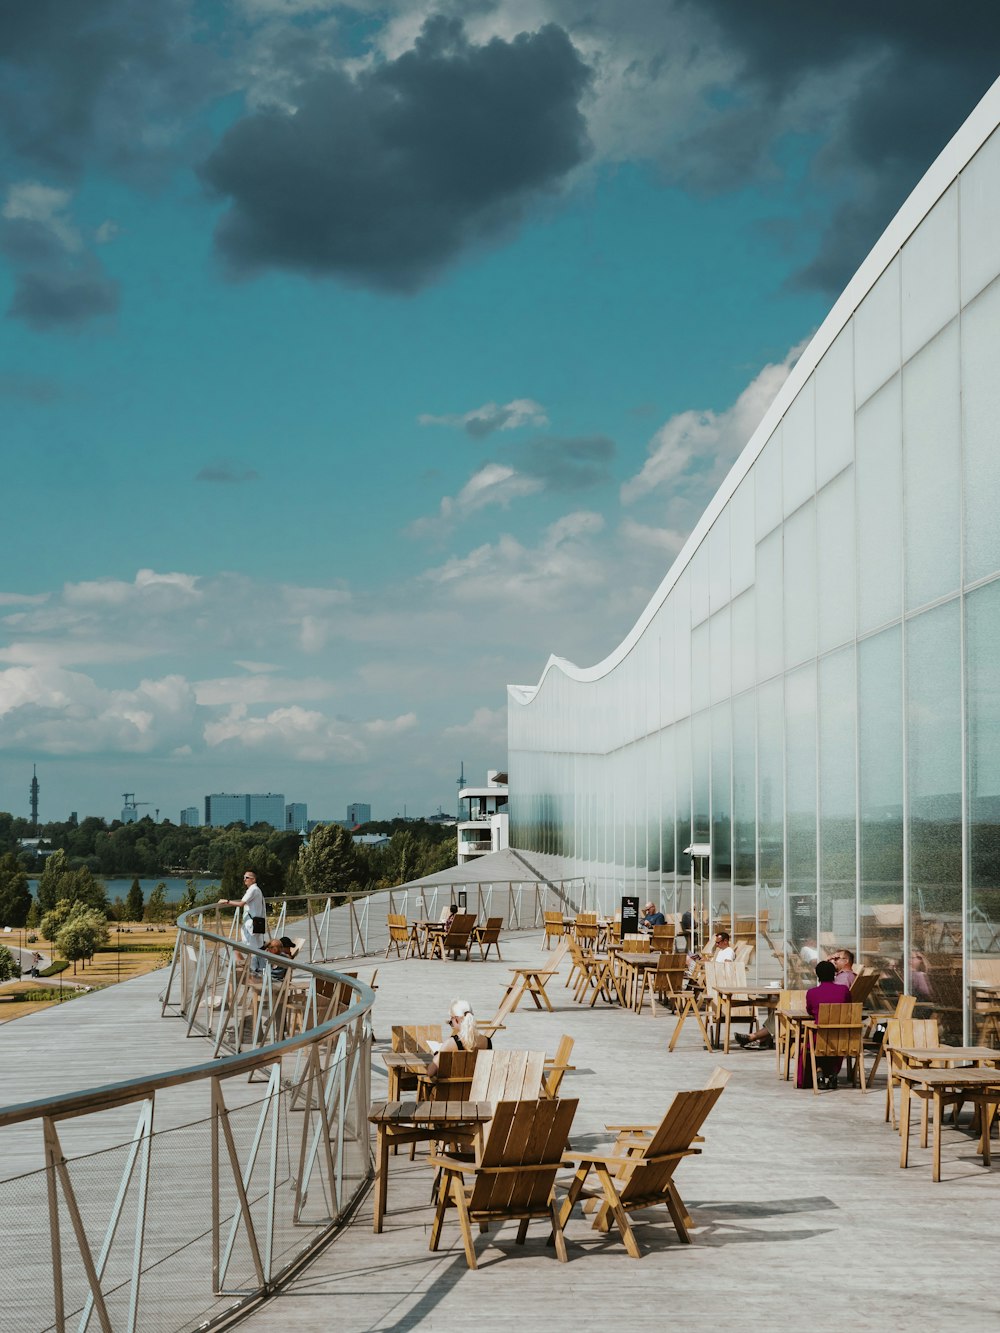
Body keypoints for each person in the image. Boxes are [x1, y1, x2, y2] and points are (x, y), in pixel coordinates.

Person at [799, 960, 847, 1089]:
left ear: (817, 975)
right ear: (834, 974)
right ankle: (832, 1073)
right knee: (833, 1042)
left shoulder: (812, 993)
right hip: (841, 1038)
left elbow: (810, 1010)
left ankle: (819, 1073)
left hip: (819, 1037)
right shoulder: (843, 990)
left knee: (815, 1043)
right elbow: (849, 1007)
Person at [426, 999, 492, 1078]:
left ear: (456, 1019)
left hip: (450, 1089)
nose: (451, 1024)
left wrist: (437, 1054)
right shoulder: (487, 1041)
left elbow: (430, 1072)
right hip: (476, 1088)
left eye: (451, 1021)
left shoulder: (451, 1043)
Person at [219, 871, 267, 974]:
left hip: (251, 926)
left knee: (247, 950)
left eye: (247, 877)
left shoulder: (252, 889)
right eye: (244, 877)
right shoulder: (257, 890)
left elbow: (241, 903)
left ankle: (249, 971)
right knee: (257, 950)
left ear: (253, 879)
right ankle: (254, 969)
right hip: (256, 924)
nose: (244, 879)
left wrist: (227, 901)